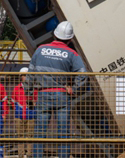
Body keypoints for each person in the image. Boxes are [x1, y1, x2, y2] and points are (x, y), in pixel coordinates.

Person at [25, 21, 87, 158]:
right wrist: (74, 89)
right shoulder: (72, 54)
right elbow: (83, 74)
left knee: (39, 133)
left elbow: (30, 76)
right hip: (61, 95)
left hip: (43, 94)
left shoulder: (40, 50)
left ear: (54, 35)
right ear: (70, 39)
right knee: (63, 133)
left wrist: (29, 96)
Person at [11, 67, 35, 158]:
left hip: (30, 115)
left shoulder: (33, 89)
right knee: (20, 136)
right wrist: (17, 110)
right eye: (24, 75)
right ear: (21, 77)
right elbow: (13, 101)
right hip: (19, 116)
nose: (25, 77)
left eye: (27, 75)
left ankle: (29, 154)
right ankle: (20, 155)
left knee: (30, 136)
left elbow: (36, 101)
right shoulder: (16, 89)